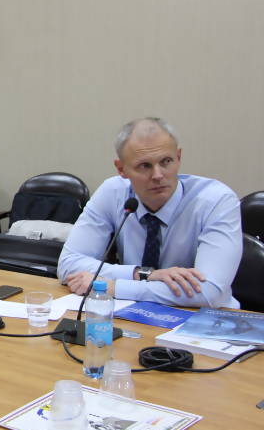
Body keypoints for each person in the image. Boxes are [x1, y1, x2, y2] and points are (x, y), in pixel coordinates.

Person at [58, 117, 242, 308]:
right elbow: (68, 265)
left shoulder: (216, 201)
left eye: (166, 161)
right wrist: (144, 274)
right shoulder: (113, 193)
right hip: (133, 315)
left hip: (204, 318)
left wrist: (115, 287)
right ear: (121, 169)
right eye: (145, 166)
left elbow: (209, 292)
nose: (158, 175)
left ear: (178, 157)